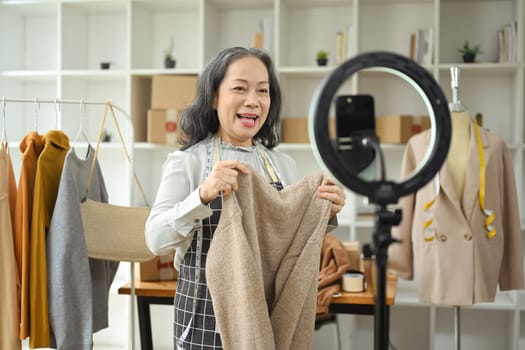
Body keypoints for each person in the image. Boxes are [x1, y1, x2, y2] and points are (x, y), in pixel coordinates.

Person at [145, 46, 346, 349]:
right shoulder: (187, 163)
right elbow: (155, 239)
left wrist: (325, 211)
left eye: (263, 91)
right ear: (214, 97)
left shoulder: (282, 166)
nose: (253, 101)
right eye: (240, 88)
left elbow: (289, 243)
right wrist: (202, 195)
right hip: (205, 314)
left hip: (267, 310)